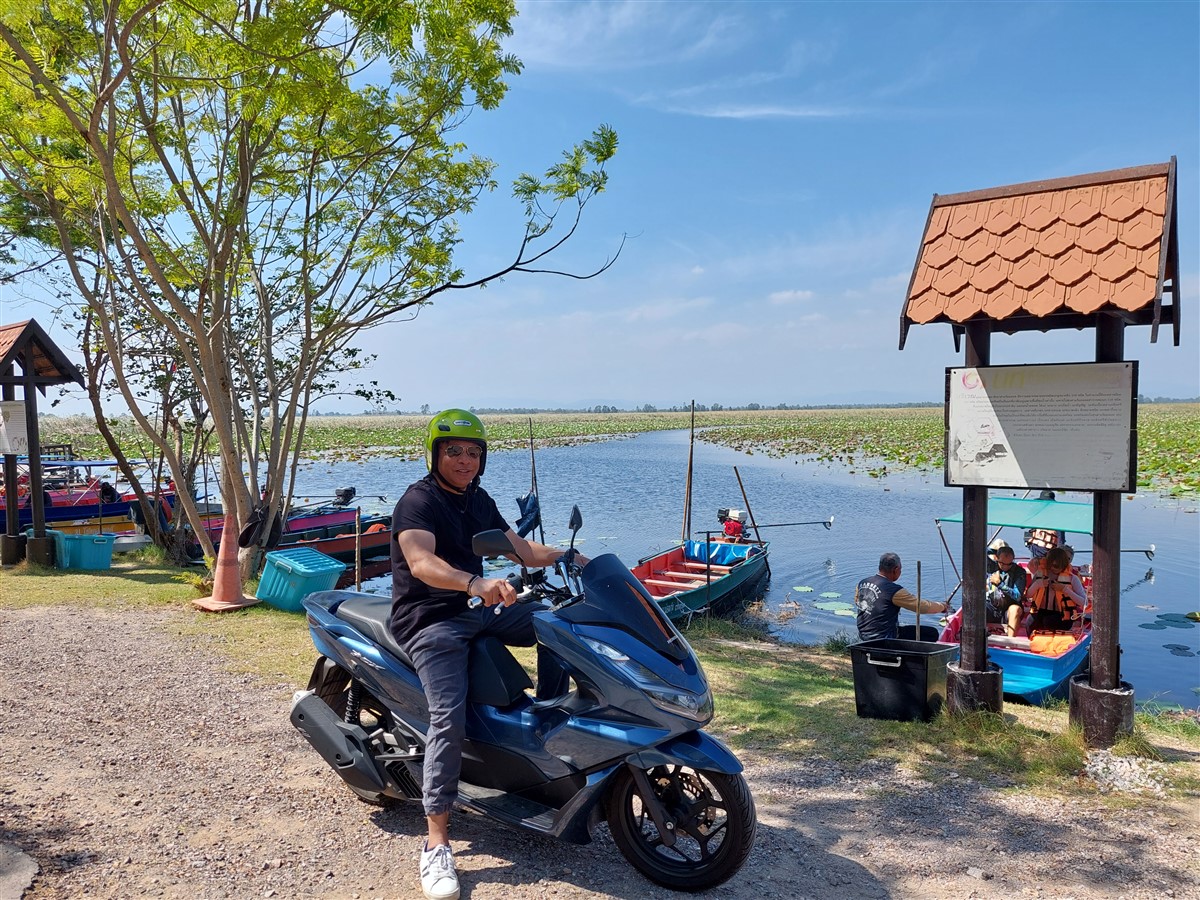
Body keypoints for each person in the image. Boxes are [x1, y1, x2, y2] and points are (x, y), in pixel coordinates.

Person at [388, 408, 588, 900]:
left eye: (473, 452)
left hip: (478, 608)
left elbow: (520, 550)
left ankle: (546, 726)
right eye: (454, 451)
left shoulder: (479, 500)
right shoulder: (417, 501)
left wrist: (572, 557)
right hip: (430, 618)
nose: (464, 460)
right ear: (436, 453)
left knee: (558, 627)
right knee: (447, 718)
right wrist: (476, 582)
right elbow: (422, 562)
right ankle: (436, 843)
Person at [854, 552, 949, 641]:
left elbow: (857, 602)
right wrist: (942, 606)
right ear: (895, 570)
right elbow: (921, 607)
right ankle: (914, 657)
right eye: (900, 569)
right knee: (931, 633)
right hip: (883, 637)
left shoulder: (862, 583)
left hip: (864, 634)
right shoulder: (893, 590)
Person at [1026, 545, 1086, 633]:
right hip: (1041, 611)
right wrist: (1038, 584)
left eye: (1059, 566)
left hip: (1063, 615)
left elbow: (1084, 602)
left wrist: (1065, 589)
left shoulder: (1073, 578)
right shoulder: (1040, 574)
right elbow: (1028, 595)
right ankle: (1034, 642)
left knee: (1049, 621)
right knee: (1030, 621)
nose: (1055, 569)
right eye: (1053, 566)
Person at [986, 544, 1027, 637]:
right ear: (997, 559)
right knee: (978, 606)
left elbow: (1017, 595)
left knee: (1015, 609)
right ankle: (976, 638)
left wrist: (1000, 584)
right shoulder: (992, 567)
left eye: (1009, 564)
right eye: (1002, 563)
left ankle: (1010, 642)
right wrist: (994, 551)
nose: (1005, 567)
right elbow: (981, 551)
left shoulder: (1019, 572)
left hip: (1008, 609)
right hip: (992, 606)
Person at [1024, 490, 1066, 559]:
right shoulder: (1035, 517)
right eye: (1043, 504)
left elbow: (1061, 542)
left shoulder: (1058, 521)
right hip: (1034, 552)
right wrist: (1029, 546)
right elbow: (1028, 532)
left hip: (1049, 555)